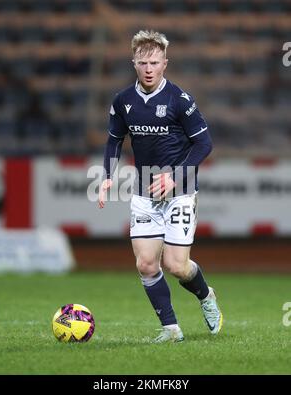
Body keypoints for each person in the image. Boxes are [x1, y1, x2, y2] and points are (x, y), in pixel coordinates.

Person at [98, 30, 223, 343]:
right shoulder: (123, 101)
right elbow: (114, 139)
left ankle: (206, 295)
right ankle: (171, 328)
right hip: (143, 191)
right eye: (143, 62)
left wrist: (175, 176)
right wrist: (107, 176)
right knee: (146, 263)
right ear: (134, 64)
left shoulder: (180, 100)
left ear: (165, 63)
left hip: (179, 191)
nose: (149, 68)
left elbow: (204, 144)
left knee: (176, 266)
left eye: (154, 62)